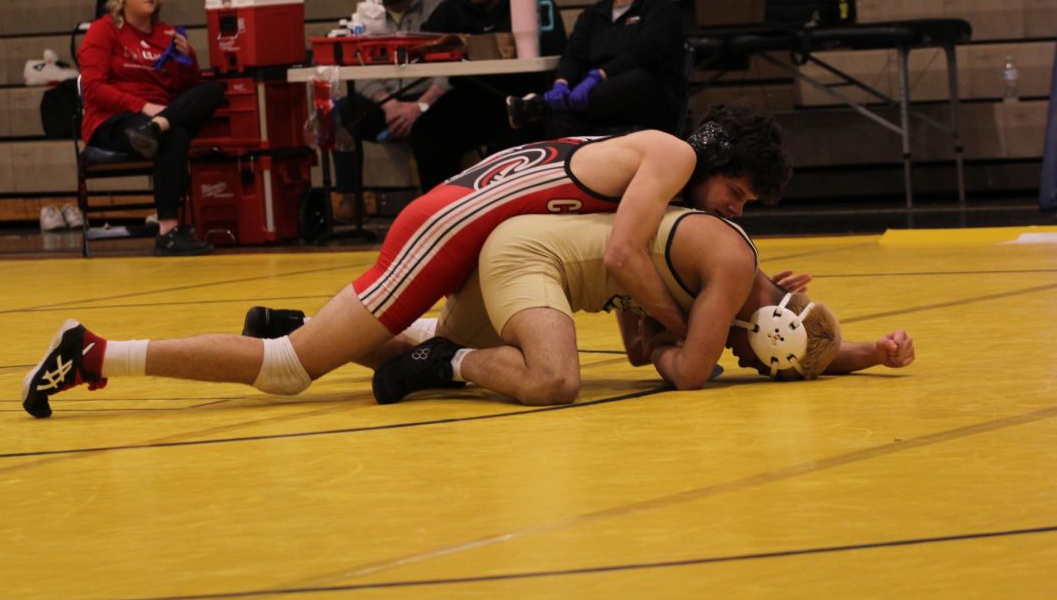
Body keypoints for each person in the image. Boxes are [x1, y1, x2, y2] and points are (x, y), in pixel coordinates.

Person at [21, 106, 790, 417]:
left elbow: (625, 261)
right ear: (714, 158)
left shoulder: (655, 156)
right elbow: (623, 255)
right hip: (452, 230)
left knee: (417, 341)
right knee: (289, 369)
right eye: (738, 192)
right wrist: (692, 322)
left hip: (472, 228)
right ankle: (95, 354)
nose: (734, 211)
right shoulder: (673, 153)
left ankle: (364, 336)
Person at [370, 209, 913, 405]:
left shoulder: (755, 298)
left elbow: (800, 349)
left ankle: (294, 331)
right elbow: (689, 375)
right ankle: (448, 361)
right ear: (772, 331)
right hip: (532, 258)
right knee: (553, 381)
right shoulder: (731, 279)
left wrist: (872, 351)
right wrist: (663, 346)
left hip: (530, 253)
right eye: (760, 363)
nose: (747, 365)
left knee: (413, 354)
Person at [78, 0, 224, 256]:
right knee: (176, 134)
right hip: (113, 119)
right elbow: (93, 88)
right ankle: (169, 231)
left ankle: (157, 128)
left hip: (158, 117)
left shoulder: (167, 35)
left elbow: (184, 90)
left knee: (214, 89)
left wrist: (188, 60)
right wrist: (143, 107)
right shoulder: (103, 31)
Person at [411, 0, 569, 191]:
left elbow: (556, 51)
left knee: (509, 145)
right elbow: (425, 39)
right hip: (474, 95)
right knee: (426, 132)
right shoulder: (455, 6)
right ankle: (443, 209)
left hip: (522, 98)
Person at [507, 0, 686, 139]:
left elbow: (644, 52)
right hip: (594, 105)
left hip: (646, 99)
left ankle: (541, 106)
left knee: (637, 79)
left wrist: (599, 75)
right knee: (561, 119)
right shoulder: (593, 14)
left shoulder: (660, 9)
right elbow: (574, 53)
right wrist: (562, 83)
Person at [332, 0, 446, 215]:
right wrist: (389, 104)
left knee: (435, 121)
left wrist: (420, 105)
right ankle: (349, 198)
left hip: (426, 100)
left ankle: (436, 208)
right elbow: (353, 66)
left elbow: (453, 65)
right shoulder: (364, 15)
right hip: (385, 103)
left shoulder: (438, 8)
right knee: (343, 112)